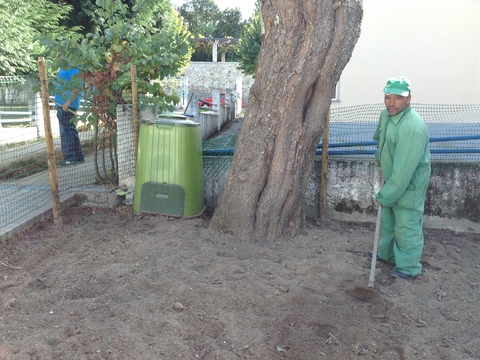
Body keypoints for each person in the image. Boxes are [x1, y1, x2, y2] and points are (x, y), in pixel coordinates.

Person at [370, 76, 431, 280]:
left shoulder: (412, 127)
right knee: (389, 218)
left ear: (409, 99)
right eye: (388, 97)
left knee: (406, 220)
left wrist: (385, 195)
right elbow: (380, 138)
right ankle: (387, 255)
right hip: (393, 175)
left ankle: (408, 267)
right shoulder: (386, 115)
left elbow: (404, 171)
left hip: (410, 181)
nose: (391, 103)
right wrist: (380, 157)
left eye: (397, 98)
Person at [54, 63, 84, 166]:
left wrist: (68, 102)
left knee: (66, 131)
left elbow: (77, 87)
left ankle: (70, 158)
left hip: (66, 106)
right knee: (71, 130)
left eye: (59, 54)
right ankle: (78, 156)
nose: (58, 56)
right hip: (63, 104)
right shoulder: (65, 68)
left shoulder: (73, 68)